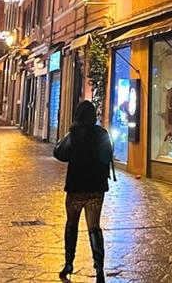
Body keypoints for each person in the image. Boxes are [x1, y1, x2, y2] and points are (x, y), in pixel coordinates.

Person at [53, 101, 113, 282]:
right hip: (96, 189)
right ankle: (99, 269)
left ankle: (68, 263)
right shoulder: (102, 134)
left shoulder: (74, 134)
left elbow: (59, 153)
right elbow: (108, 155)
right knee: (94, 227)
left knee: (72, 224)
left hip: (76, 188)